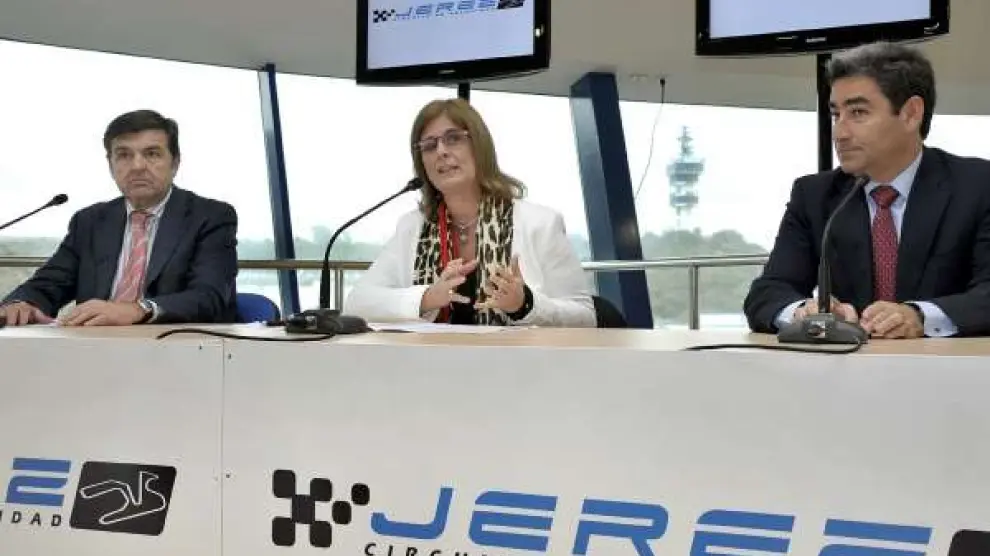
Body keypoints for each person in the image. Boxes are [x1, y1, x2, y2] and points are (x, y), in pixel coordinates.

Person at [744, 41, 990, 338]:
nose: (839, 133)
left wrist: (919, 316)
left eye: (858, 112)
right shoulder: (814, 196)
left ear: (911, 113)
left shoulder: (978, 186)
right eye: (836, 115)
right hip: (850, 364)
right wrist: (803, 312)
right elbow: (767, 293)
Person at [345, 98, 596, 327]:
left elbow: (586, 317)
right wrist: (427, 297)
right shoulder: (411, 227)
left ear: (479, 147)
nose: (441, 151)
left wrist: (525, 305)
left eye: (453, 138)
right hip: (431, 361)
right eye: (429, 146)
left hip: (516, 361)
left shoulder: (540, 223)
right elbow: (357, 302)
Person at [0, 110, 239, 326]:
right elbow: (50, 283)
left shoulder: (210, 217)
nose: (137, 166)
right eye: (124, 155)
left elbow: (209, 296)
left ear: (175, 163)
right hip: (94, 346)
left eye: (152, 154)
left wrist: (138, 309)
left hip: (176, 349)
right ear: (110, 165)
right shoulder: (90, 221)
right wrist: (22, 303)